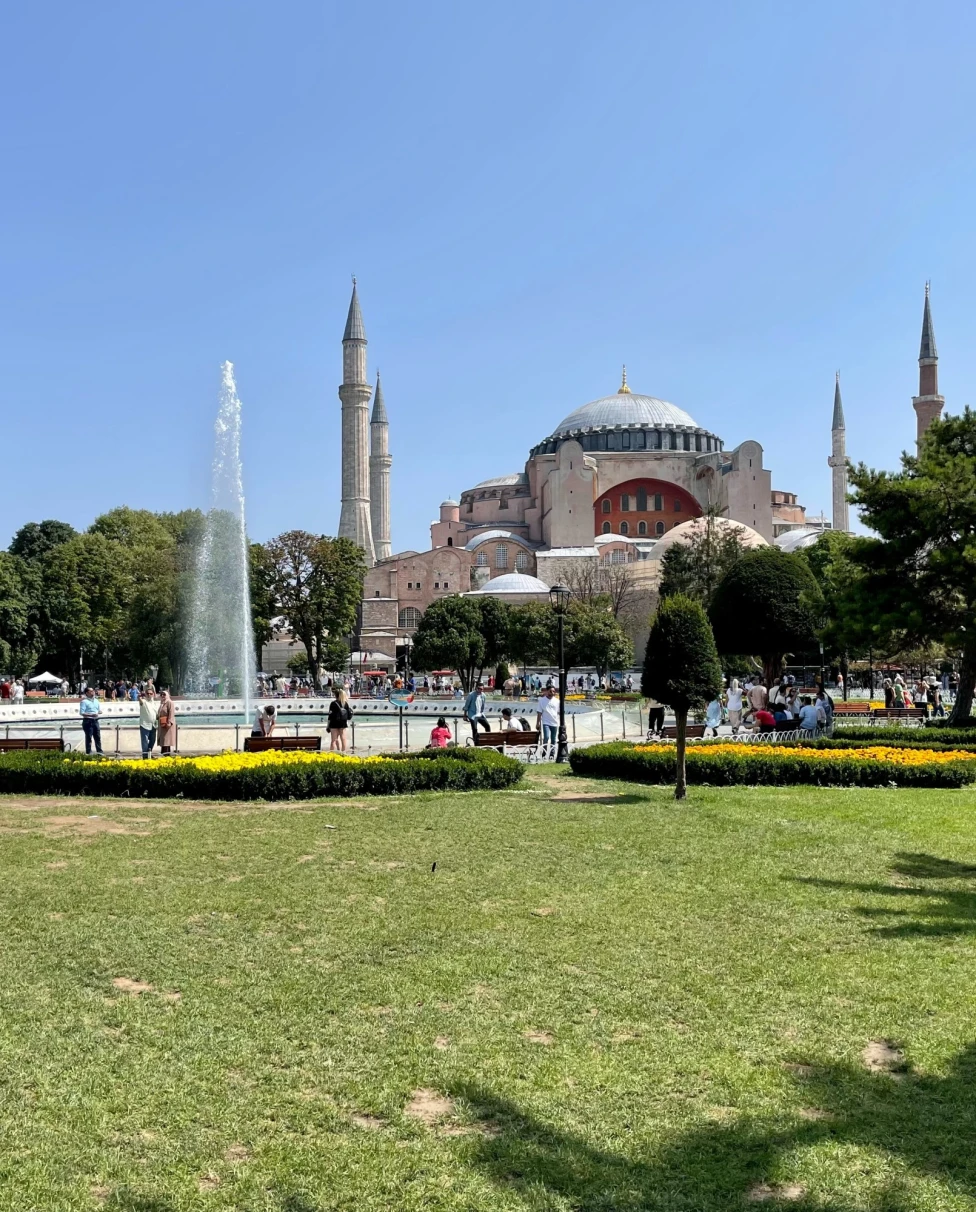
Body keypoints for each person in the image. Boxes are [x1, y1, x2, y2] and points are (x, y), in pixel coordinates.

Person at [536, 686, 561, 751]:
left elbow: (559, 712)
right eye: (550, 691)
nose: (552, 693)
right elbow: (539, 713)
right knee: (546, 737)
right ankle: (544, 751)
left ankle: (552, 753)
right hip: (546, 722)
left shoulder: (557, 701)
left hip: (554, 722)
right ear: (547, 691)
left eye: (553, 691)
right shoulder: (542, 700)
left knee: (553, 739)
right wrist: (538, 723)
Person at [79, 686, 103, 754]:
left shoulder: (96, 701)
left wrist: (99, 712)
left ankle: (100, 752)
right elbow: (82, 713)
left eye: (93, 691)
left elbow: (98, 710)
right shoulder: (84, 702)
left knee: (97, 737)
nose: (93, 692)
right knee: (89, 738)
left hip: (95, 721)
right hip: (88, 721)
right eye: (91, 691)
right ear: (87, 693)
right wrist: (91, 715)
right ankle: (89, 752)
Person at [138, 688, 159, 759]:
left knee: (153, 740)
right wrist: (139, 697)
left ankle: (149, 753)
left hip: (153, 725)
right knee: (144, 741)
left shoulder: (154, 703)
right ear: (146, 694)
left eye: (151, 693)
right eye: (148, 693)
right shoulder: (143, 701)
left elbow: (156, 714)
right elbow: (140, 701)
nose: (149, 695)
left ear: (153, 694)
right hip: (145, 724)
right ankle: (145, 755)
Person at [157, 690, 177, 755]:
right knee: (163, 740)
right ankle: (163, 753)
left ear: (167, 695)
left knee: (167, 740)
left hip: (167, 724)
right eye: (161, 694)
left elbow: (171, 713)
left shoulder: (170, 702)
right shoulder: (162, 703)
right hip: (162, 724)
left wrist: (169, 722)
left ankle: (167, 754)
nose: (162, 696)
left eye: (164, 694)